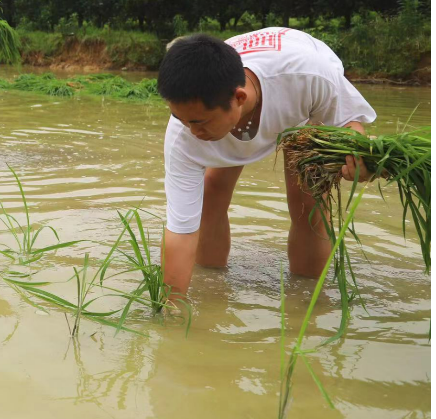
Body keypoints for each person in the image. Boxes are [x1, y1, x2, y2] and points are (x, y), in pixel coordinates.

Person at [157, 29, 378, 299]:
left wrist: (358, 159)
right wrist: (170, 308)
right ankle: (212, 286)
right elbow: (180, 230)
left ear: (239, 98)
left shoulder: (309, 76)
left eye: (198, 123)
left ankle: (307, 297)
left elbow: (350, 121)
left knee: (306, 199)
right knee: (211, 191)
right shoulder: (186, 129)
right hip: (238, 94)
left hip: (299, 104)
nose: (192, 132)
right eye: (180, 119)